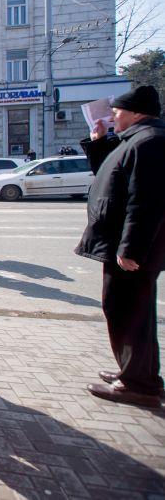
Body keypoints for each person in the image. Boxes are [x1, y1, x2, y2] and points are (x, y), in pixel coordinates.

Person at [77, 85, 165, 407]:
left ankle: (138, 384)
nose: (113, 117)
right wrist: (100, 142)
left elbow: (147, 202)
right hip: (125, 246)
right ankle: (138, 374)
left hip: (130, 251)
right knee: (131, 312)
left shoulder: (151, 142)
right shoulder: (138, 140)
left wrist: (131, 249)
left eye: (117, 112)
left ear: (136, 112)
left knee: (128, 312)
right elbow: (111, 174)